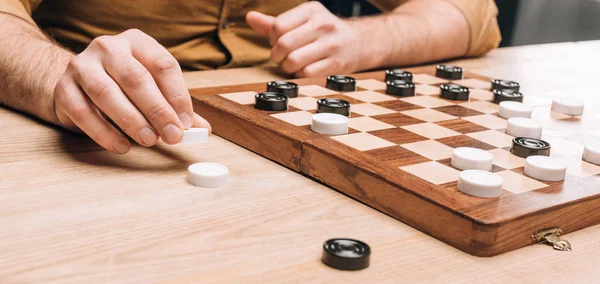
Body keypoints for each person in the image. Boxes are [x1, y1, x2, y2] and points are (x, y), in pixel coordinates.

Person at [0, 0, 500, 155]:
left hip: (288, 128)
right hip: (95, 143)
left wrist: (360, 39)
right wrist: (60, 76)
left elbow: (474, 14)